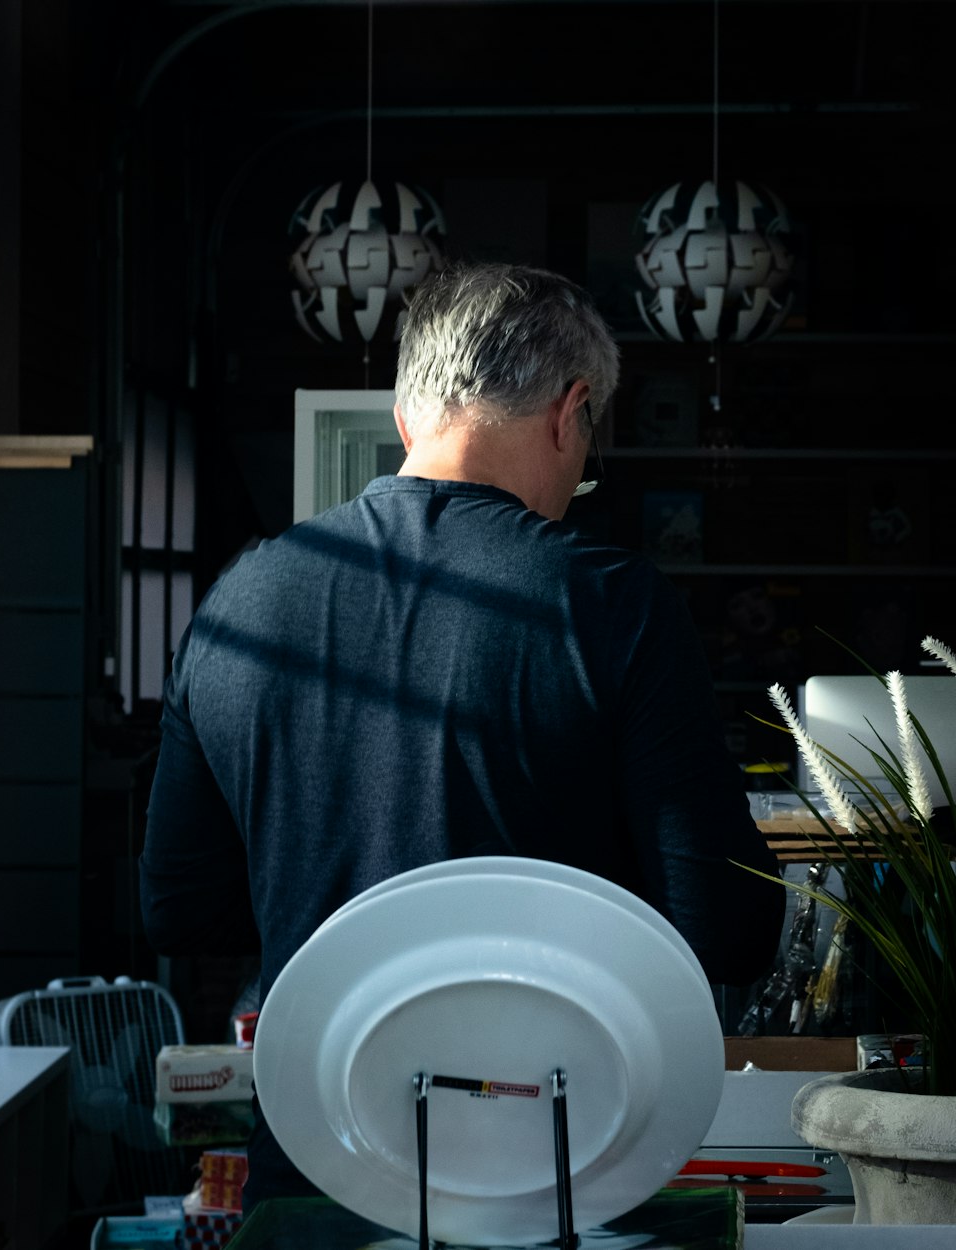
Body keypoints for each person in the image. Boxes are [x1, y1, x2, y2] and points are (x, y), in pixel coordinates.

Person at [139, 261, 784, 1211]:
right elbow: (726, 929)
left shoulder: (241, 600)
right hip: (556, 1172)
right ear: (571, 414)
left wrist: (338, 911)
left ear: (408, 420)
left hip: (318, 1170)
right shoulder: (610, 603)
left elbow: (180, 909)